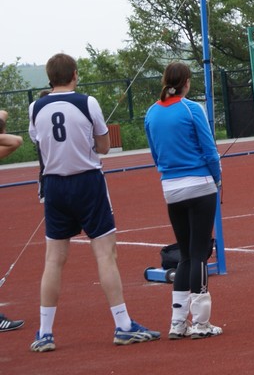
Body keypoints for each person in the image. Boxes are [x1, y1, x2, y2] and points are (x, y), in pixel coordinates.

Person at [28, 53, 160, 352]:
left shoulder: (35, 106)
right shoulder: (87, 102)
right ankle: (123, 325)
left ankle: (44, 333)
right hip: (87, 181)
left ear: (50, 77)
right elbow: (104, 147)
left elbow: (39, 142)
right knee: (104, 254)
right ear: (74, 74)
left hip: (54, 185)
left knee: (53, 260)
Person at [144, 62, 223, 340]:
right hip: (200, 185)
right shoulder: (192, 109)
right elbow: (210, 150)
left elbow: (155, 153)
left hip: (171, 188)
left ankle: (177, 322)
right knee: (200, 253)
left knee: (185, 257)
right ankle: (201, 323)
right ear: (186, 82)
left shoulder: (152, 113)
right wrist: (217, 179)